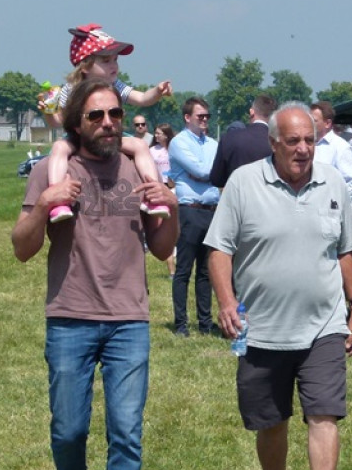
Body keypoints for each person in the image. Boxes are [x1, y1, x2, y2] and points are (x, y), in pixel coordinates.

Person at [11, 78, 178, 470]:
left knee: (127, 434)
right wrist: (45, 203)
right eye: (96, 116)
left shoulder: (136, 167)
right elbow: (22, 248)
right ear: (75, 123)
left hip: (129, 320)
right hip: (70, 317)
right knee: (69, 429)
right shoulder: (52, 169)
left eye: (115, 115)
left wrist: (167, 205)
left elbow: (165, 247)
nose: (108, 123)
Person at [205, 101, 352, 470]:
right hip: (262, 329)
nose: (302, 149)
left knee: (324, 414)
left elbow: (347, 250)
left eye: (309, 140)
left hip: (324, 325)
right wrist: (226, 302)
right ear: (273, 143)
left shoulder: (333, 183)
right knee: (271, 422)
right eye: (293, 141)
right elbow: (219, 249)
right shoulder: (243, 183)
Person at [38, 24, 173, 223]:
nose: (114, 66)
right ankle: (58, 201)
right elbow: (57, 122)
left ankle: (153, 194)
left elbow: (142, 98)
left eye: (115, 60)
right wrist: (48, 111)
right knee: (59, 147)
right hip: (77, 139)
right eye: (106, 60)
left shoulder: (115, 85)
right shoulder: (71, 89)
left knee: (140, 145)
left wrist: (157, 91)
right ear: (84, 65)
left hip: (110, 137)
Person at [168, 97, 220, 337]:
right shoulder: (179, 143)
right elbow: (200, 171)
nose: (205, 120)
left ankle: (205, 322)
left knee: (206, 271)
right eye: (200, 116)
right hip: (190, 209)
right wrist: (216, 172)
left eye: (207, 116)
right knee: (184, 269)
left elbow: (217, 172)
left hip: (211, 209)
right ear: (187, 118)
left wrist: (215, 172)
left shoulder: (212, 143)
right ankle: (181, 323)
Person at [209, 93, 277, 189]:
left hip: (237, 199)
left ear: (251, 112)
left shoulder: (229, 138)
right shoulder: (277, 142)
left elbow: (216, 179)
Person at [310, 101, 352, 202]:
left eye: (314, 121)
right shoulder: (307, 145)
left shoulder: (340, 147)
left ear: (327, 123)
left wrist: (332, 208)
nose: (308, 124)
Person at [150, 123, 177, 276]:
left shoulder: (174, 149)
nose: (156, 136)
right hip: (160, 187)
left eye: (159, 133)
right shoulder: (152, 151)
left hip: (174, 187)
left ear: (166, 135)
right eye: (155, 133)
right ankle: (170, 265)